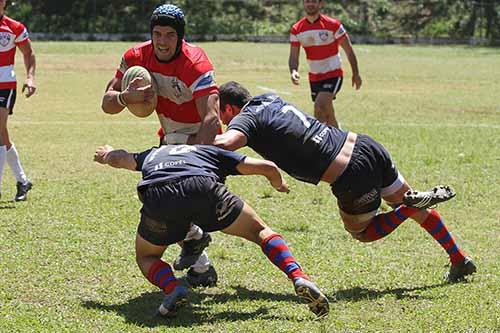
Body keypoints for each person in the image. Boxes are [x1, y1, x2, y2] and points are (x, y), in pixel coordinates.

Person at [214, 81, 476, 283]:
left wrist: (188, 142)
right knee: (418, 207)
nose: (224, 122)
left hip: (350, 172)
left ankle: (407, 207)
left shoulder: (246, 117)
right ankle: (458, 258)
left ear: (229, 108)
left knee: (362, 232)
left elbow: (226, 143)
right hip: (365, 145)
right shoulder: (269, 99)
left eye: (221, 115)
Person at [93, 143, 330, 317]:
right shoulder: (207, 151)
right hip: (202, 187)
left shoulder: (153, 154)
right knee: (260, 232)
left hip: (159, 195)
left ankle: (173, 287)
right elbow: (267, 167)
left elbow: (122, 158)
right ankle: (298, 277)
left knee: (147, 256)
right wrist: (279, 184)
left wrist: (106, 156)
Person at [101, 4, 220, 287]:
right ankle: (202, 268)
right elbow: (106, 103)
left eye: (169, 35)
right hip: (168, 135)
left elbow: (212, 119)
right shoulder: (134, 57)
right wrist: (124, 97)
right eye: (157, 34)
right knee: (163, 200)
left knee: (171, 201)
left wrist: (196, 160)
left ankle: (197, 241)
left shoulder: (196, 63)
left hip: (196, 137)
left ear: (180, 37)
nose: (162, 41)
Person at [288, 0, 362, 128]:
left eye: (314, 1)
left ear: (320, 4)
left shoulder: (333, 25)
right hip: (314, 77)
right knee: (325, 112)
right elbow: (294, 56)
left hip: (333, 74)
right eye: (307, 1)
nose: (310, 4)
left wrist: (356, 73)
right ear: (303, 4)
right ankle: (337, 138)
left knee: (320, 105)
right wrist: (293, 70)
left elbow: (349, 51)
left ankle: (321, 144)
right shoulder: (296, 29)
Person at [0, 0, 36, 201]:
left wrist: (30, 77)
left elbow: (29, 53)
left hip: (5, 85)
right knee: (2, 134)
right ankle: (22, 181)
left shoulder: (14, 27)